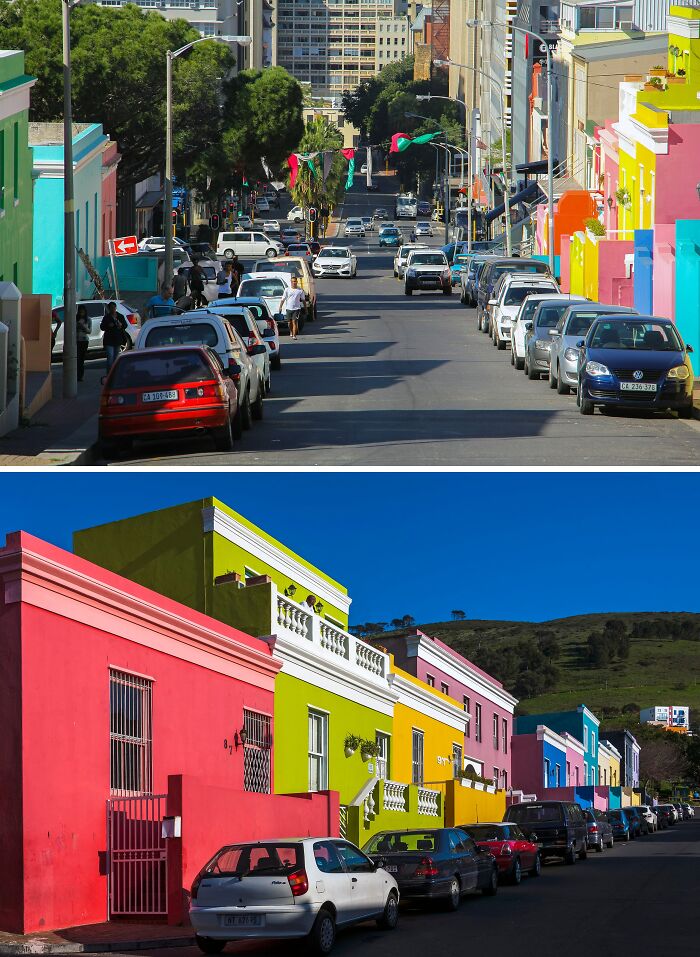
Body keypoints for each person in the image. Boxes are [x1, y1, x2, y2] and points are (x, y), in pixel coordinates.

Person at [100, 302, 127, 377]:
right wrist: (108, 325)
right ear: (109, 308)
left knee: (116, 359)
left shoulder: (120, 316)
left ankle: (115, 375)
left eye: (114, 307)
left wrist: (121, 325)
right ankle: (109, 375)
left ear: (115, 308)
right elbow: (102, 327)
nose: (113, 309)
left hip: (118, 339)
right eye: (111, 307)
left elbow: (125, 325)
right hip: (109, 340)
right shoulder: (107, 317)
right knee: (110, 359)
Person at [76, 304, 91, 382]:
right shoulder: (75, 319)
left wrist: (83, 326)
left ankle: (80, 376)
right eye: (80, 312)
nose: (81, 313)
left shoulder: (88, 319)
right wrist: (77, 325)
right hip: (76, 341)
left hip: (84, 340)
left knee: (81, 359)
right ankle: (76, 375)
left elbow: (89, 331)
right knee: (77, 359)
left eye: (83, 312)